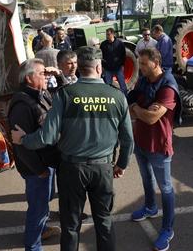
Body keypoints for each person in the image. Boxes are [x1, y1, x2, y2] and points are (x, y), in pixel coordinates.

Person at [12, 46, 134, 251]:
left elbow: (47, 136)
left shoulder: (65, 95)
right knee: (104, 222)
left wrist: (24, 140)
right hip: (102, 168)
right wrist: (121, 164)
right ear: (98, 67)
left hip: (71, 170)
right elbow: (128, 139)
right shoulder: (117, 96)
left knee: (70, 226)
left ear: (80, 68)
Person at [128, 47, 180, 251]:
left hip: (158, 145)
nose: (140, 68)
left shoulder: (168, 86)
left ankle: (168, 229)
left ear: (156, 63)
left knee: (166, 188)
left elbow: (151, 117)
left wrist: (137, 110)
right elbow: (129, 99)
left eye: (143, 64)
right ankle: (150, 206)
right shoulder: (143, 81)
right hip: (140, 141)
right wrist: (139, 110)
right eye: (139, 63)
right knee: (146, 178)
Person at [8, 59, 61, 251]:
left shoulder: (40, 94)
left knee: (43, 202)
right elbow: (20, 145)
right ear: (30, 78)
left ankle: (42, 230)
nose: (46, 77)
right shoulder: (22, 105)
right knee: (38, 208)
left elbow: (62, 98)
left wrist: (58, 77)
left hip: (46, 161)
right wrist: (39, 170)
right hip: (37, 167)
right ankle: (33, 246)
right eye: (42, 74)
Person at [100, 28, 127, 94]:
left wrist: (123, 65)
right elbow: (100, 56)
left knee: (123, 86)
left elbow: (123, 55)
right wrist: (103, 67)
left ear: (113, 34)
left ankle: (126, 99)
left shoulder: (119, 43)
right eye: (106, 35)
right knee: (108, 86)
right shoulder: (103, 44)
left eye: (108, 34)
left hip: (118, 68)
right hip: (108, 69)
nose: (107, 36)